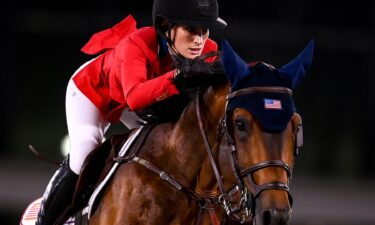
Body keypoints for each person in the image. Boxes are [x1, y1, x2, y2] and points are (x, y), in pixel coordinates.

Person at [34, 0, 227, 224]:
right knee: (84, 154)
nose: (199, 41)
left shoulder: (209, 50)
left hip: (146, 100)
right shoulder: (138, 43)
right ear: (166, 27)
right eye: (191, 30)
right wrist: (178, 76)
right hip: (93, 93)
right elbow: (134, 97)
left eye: (204, 31)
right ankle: (47, 218)